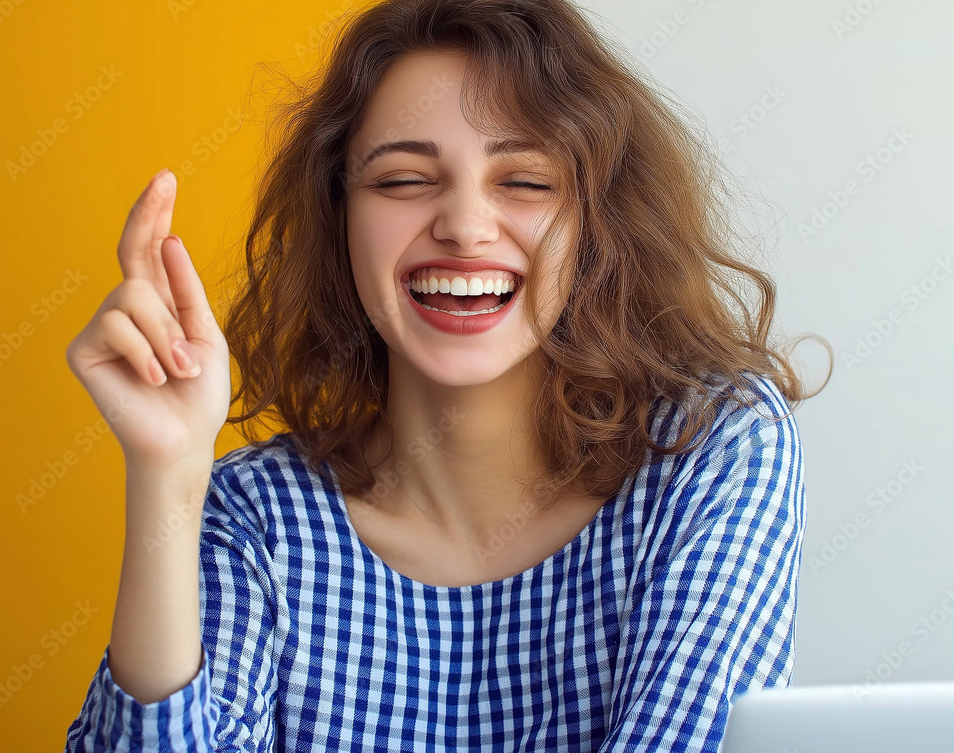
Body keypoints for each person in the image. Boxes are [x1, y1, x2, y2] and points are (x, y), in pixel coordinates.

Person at [62, 0, 829, 750]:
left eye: (525, 181)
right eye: (402, 181)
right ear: (341, 221)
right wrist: (166, 477)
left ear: (598, 225)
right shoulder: (255, 517)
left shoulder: (710, 452)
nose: (464, 227)